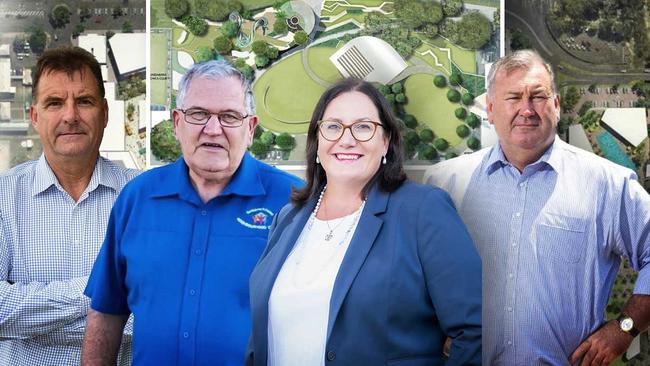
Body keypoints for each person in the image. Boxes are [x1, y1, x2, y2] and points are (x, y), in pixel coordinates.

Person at [424, 50, 650, 365]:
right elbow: (411, 274)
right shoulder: (444, 183)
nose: (526, 109)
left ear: (556, 106)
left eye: (538, 96)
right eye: (513, 97)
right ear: (490, 109)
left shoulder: (607, 185)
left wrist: (625, 328)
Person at [247, 78, 482, 365]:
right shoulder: (289, 217)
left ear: (386, 142)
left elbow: (475, 329)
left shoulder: (422, 210)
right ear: (317, 140)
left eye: (363, 127)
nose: (346, 139)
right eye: (333, 126)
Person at [82, 60, 303, 366]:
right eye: (198, 114)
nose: (213, 130)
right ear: (177, 123)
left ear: (250, 128)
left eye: (229, 116)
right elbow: (106, 311)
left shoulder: (294, 201)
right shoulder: (137, 198)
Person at [0, 46, 138, 365]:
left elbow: (158, 309)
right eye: (55, 103)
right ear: (35, 116)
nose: (70, 116)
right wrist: (103, 295)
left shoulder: (140, 194)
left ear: (104, 113)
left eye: (84, 101)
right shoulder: (3, 196)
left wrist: (30, 319)